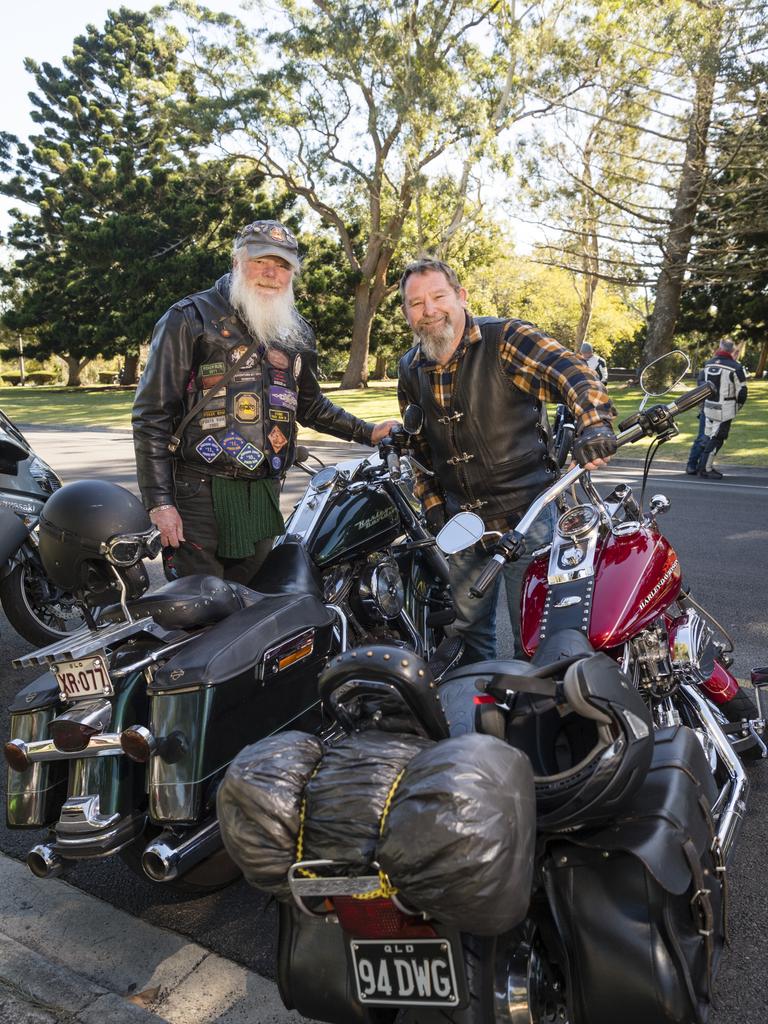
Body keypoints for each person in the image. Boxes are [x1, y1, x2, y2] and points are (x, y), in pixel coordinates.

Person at [133, 219, 397, 582]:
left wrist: (368, 433)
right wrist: (160, 502)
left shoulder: (296, 330)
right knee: (199, 608)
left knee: (254, 606)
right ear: (237, 261)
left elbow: (310, 406)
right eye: (260, 261)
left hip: (263, 494)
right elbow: (151, 415)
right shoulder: (189, 318)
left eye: (284, 265)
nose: (271, 273)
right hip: (197, 494)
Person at [397, 257, 616, 661]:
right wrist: (433, 508)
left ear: (461, 297)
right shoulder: (409, 368)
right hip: (462, 523)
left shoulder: (507, 338)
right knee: (468, 634)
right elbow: (418, 451)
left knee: (536, 639)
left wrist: (595, 423)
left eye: (438, 297)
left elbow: (570, 372)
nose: (428, 310)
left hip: (528, 517)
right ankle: (478, 711)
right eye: (416, 303)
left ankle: (533, 718)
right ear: (406, 312)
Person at [685, 338, 747, 479]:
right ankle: (705, 468)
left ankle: (693, 465)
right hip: (725, 408)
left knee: (706, 436)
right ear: (732, 350)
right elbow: (742, 391)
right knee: (718, 438)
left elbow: (700, 385)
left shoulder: (708, 364)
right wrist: (737, 407)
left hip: (708, 407)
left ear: (720, 347)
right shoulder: (736, 367)